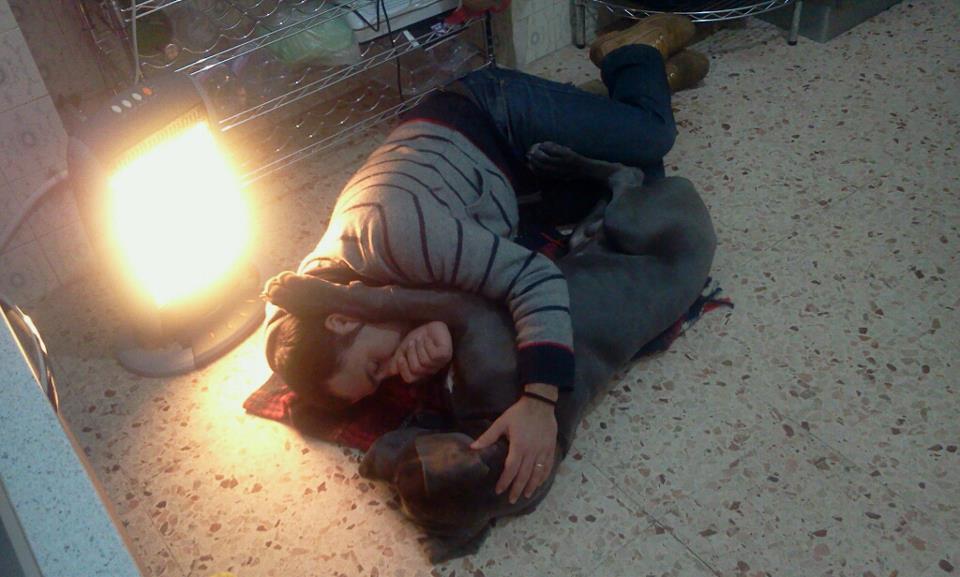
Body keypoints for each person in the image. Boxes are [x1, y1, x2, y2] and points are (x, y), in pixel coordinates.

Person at [263, 14, 709, 507]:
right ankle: (608, 103)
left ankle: (635, 50)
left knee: (652, 138)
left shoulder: (393, 232)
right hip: (502, 189)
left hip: (492, 117)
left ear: (344, 317)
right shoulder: (313, 289)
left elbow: (536, 278)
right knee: (639, 179)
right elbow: (281, 325)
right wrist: (432, 328)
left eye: (376, 365)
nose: (397, 372)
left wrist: (540, 399)